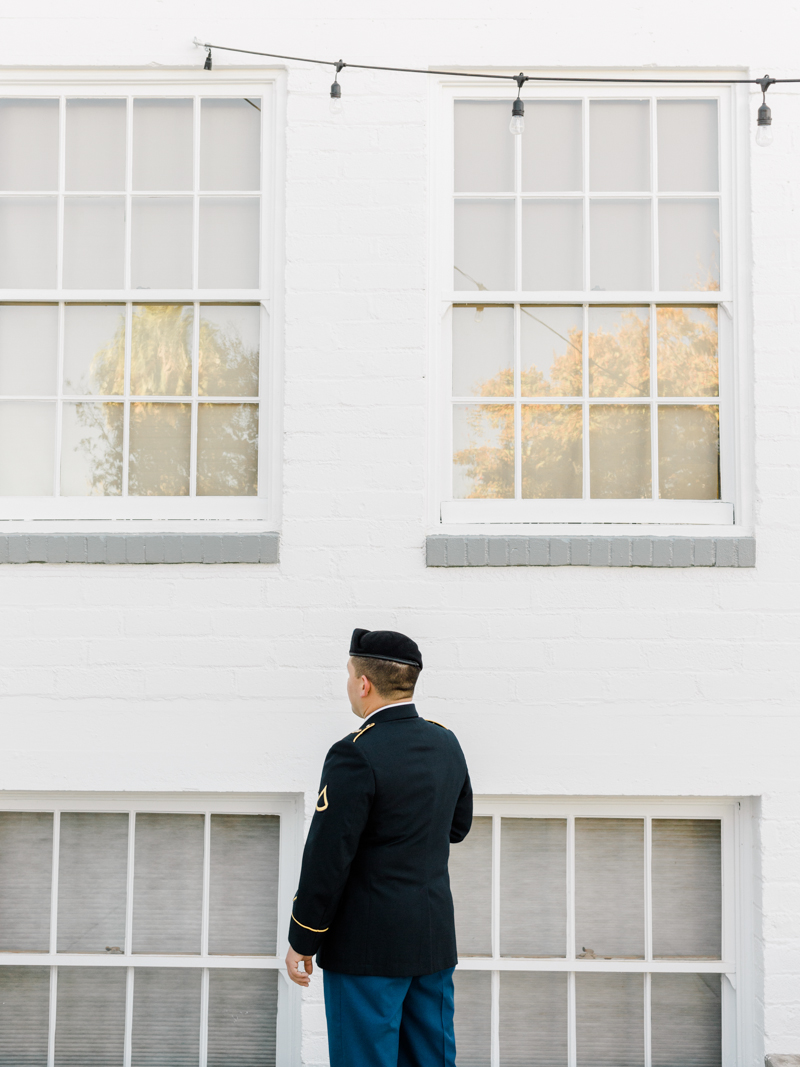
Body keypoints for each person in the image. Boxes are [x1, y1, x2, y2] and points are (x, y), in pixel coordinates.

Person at [285, 627, 473, 1067]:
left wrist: (303, 938)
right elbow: (458, 827)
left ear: (364, 683)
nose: (349, 684)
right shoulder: (446, 742)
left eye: (350, 675)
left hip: (366, 949)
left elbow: (327, 858)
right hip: (432, 941)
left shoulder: (354, 753)